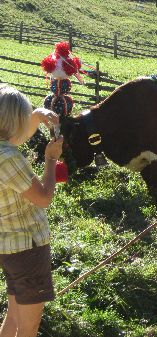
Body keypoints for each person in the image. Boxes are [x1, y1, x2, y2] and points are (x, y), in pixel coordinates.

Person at [0, 85, 62, 337]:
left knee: (13, 318)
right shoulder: (8, 158)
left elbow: (15, 138)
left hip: (9, 247)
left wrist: (36, 116)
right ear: (14, 120)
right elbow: (44, 198)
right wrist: (51, 159)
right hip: (28, 248)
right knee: (28, 328)